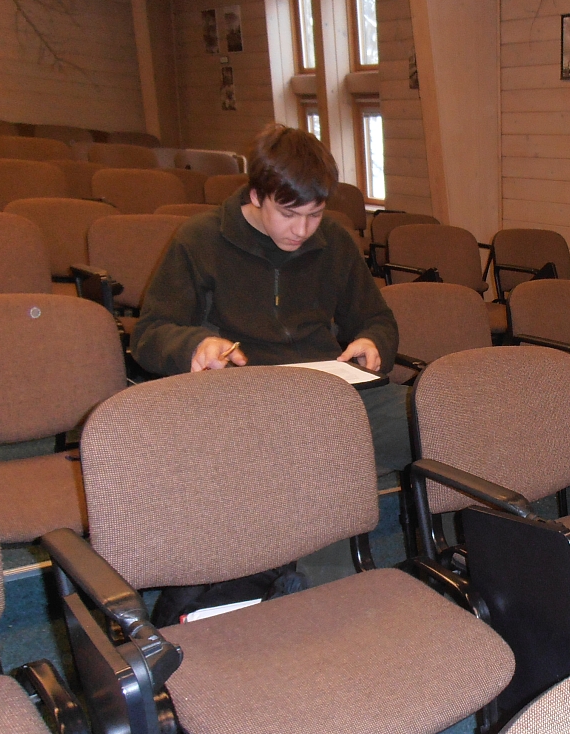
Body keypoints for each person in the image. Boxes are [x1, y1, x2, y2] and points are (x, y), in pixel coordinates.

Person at [132, 123, 411, 479]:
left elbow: (377, 319)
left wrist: (373, 341)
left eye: (315, 214)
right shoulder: (200, 240)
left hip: (327, 393)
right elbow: (149, 334)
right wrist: (195, 345)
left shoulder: (335, 242)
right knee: (295, 456)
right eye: (288, 214)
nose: (302, 230)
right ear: (256, 195)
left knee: (435, 426)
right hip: (244, 398)